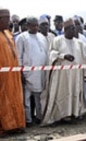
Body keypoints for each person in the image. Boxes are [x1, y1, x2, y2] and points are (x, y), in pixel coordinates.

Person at [41, 18, 86, 126]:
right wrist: (63, 56)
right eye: (72, 29)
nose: (74, 31)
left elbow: (84, 59)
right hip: (61, 76)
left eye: (74, 29)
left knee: (74, 93)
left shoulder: (80, 44)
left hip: (76, 75)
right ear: (66, 29)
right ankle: (60, 116)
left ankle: (73, 113)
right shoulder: (57, 40)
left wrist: (85, 74)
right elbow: (51, 54)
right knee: (61, 94)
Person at [16, 16, 48, 126]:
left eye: (36, 25)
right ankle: (28, 120)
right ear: (27, 25)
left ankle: (39, 117)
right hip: (27, 73)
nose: (35, 27)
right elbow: (18, 56)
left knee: (39, 98)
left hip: (41, 73)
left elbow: (46, 54)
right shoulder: (22, 38)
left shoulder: (42, 37)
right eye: (32, 25)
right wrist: (21, 73)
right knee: (26, 100)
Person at [0, 8, 26, 136]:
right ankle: (5, 127)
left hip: (14, 75)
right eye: (6, 19)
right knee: (3, 101)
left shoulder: (9, 34)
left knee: (16, 98)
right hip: (3, 76)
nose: (8, 21)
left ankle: (17, 124)